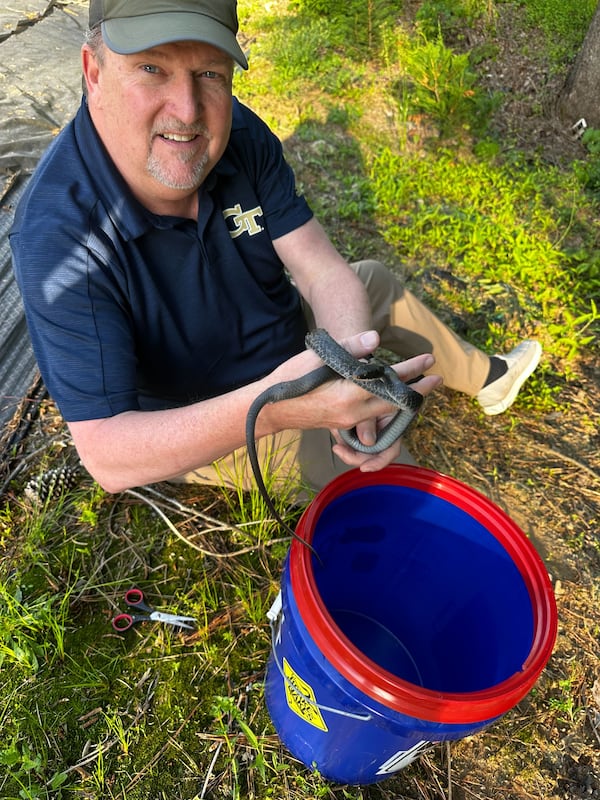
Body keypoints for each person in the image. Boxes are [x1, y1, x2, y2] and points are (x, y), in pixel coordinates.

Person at [10, 0, 541, 498]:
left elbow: (321, 271)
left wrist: (346, 377)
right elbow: (107, 456)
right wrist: (279, 407)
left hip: (287, 345)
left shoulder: (240, 133)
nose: (188, 110)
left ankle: (489, 379)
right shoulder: (59, 234)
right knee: (396, 488)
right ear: (94, 71)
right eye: (153, 68)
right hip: (212, 411)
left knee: (371, 280)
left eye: (210, 73)